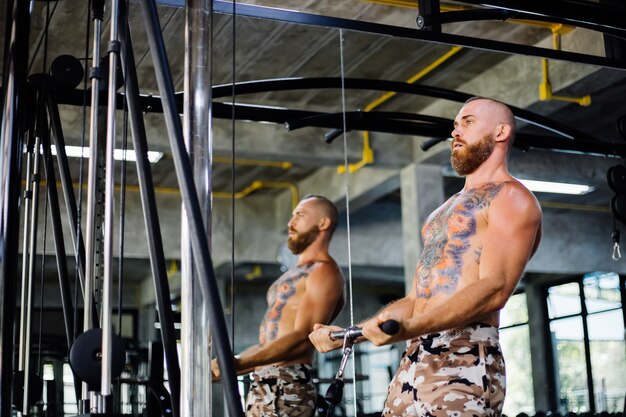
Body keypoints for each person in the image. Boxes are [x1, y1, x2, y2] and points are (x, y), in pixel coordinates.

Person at [309, 97, 542, 417]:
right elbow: (418, 299)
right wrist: (349, 336)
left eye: (468, 122)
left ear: (501, 132)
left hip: (466, 356)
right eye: (455, 125)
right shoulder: (441, 213)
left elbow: (495, 287)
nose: (455, 132)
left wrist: (412, 325)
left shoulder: (512, 197)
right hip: (416, 357)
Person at [212, 195, 345, 417]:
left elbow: (302, 336)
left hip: (288, 383)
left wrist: (236, 363)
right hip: (264, 381)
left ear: (323, 223)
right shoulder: (296, 274)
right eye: (292, 216)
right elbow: (268, 344)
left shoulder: (325, 272)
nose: (290, 222)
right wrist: (226, 368)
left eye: (300, 216)